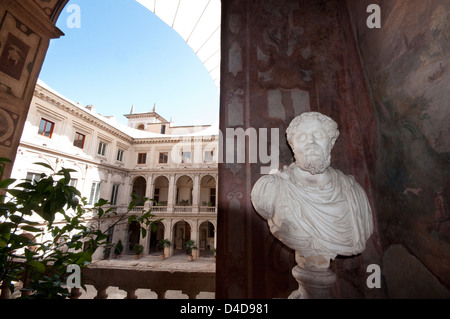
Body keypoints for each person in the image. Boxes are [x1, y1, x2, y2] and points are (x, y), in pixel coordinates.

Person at [251, 112, 373, 267]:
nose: (311, 141)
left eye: (318, 135)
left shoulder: (354, 193)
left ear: (331, 142)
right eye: (302, 137)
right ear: (293, 145)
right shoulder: (271, 189)